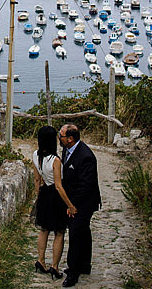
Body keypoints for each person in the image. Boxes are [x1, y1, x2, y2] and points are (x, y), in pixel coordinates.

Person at [59, 123, 101, 287]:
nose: (59, 137)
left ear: (70, 139)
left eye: (61, 135)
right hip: (74, 200)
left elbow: (86, 185)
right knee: (83, 231)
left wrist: (72, 205)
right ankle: (85, 265)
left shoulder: (85, 156)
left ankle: (73, 271)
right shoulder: (67, 149)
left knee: (76, 234)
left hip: (84, 202)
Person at [31, 125, 74, 279]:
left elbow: (37, 179)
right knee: (59, 232)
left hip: (43, 194)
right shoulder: (55, 160)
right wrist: (70, 205)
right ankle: (54, 267)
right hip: (55, 196)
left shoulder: (35, 155)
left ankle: (40, 260)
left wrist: (39, 197)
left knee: (44, 229)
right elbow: (58, 185)